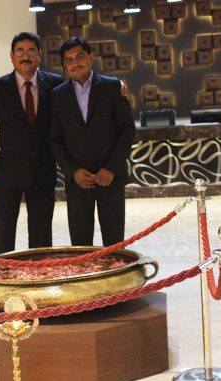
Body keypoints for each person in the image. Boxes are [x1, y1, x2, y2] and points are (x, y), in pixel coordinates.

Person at [0, 32, 64, 255]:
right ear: (12, 56)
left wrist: (118, 85)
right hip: (8, 171)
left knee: (42, 236)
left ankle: (40, 272)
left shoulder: (55, 84)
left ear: (39, 55)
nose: (26, 56)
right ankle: (1, 273)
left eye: (31, 51)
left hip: (43, 170)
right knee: (4, 235)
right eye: (20, 51)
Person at [50, 37, 136, 247]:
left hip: (111, 179)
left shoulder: (112, 87)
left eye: (80, 57)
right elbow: (55, 140)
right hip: (79, 182)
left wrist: (111, 168)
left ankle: (114, 271)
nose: (75, 63)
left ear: (90, 57)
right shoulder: (57, 96)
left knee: (114, 243)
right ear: (64, 65)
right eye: (69, 60)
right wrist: (73, 172)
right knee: (80, 245)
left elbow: (127, 131)